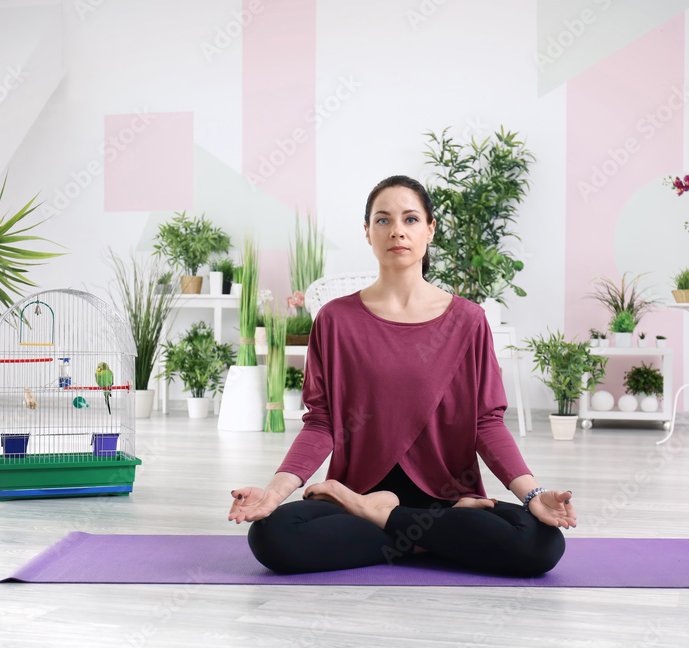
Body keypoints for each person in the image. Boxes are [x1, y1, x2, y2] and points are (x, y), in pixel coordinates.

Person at [228, 175, 575, 576]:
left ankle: (383, 519)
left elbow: (486, 423)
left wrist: (532, 493)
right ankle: (425, 536)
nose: (397, 231)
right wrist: (274, 492)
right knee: (273, 535)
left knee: (541, 543)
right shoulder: (336, 320)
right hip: (356, 495)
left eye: (410, 219)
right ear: (367, 233)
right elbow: (321, 422)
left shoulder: (468, 320)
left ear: (430, 229)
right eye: (383, 220)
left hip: (445, 500)